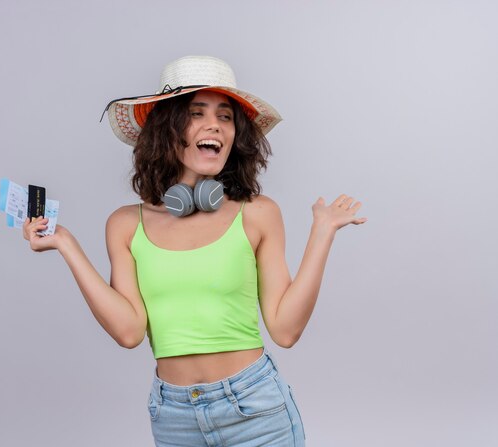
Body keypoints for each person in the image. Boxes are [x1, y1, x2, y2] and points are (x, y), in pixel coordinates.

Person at [23, 55, 367, 446]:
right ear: (168, 129)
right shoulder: (124, 224)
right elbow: (129, 331)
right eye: (196, 112)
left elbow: (285, 331)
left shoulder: (257, 214)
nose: (214, 126)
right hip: (173, 416)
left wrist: (322, 233)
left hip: (255, 408)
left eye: (225, 116)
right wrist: (66, 244)